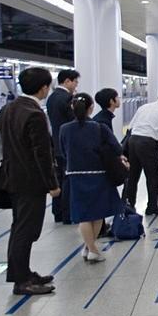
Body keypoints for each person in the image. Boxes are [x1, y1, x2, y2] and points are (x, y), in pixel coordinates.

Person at [0, 67, 60, 295]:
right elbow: (41, 154)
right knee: (27, 230)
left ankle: (21, 273)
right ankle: (22, 281)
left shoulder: (8, 109)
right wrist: (52, 184)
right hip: (30, 182)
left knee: (19, 227)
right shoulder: (34, 114)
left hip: (12, 178)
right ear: (43, 87)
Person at [59, 92, 127, 263]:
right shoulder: (99, 127)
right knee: (98, 213)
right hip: (99, 174)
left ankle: (88, 247)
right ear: (91, 108)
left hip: (75, 176)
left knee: (83, 214)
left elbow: (62, 151)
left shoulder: (64, 129)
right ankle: (93, 249)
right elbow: (117, 149)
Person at [124, 86, 158, 215]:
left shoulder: (144, 107)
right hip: (148, 144)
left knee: (132, 176)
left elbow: (131, 126)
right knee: (152, 176)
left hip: (133, 141)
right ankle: (152, 207)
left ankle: (128, 206)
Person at [47, 69, 80, 224]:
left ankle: (58, 212)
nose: (76, 85)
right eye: (75, 82)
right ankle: (68, 213)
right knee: (68, 180)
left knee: (59, 178)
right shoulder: (67, 98)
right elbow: (74, 121)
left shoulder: (52, 97)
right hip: (68, 146)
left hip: (56, 144)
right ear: (67, 81)